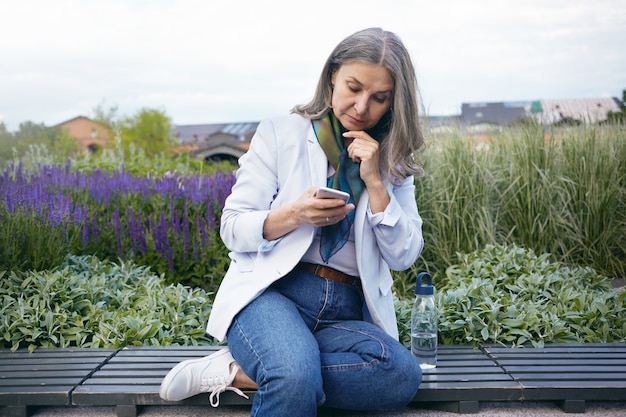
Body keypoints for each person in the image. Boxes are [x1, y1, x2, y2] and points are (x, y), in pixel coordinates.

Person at [159, 27, 426, 416]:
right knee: (294, 376)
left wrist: (376, 181)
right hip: (275, 294)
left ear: (393, 103)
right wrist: (293, 215)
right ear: (333, 74)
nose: (361, 106)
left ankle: (239, 371)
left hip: (345, 310)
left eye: (379, 98)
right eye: (353, 87)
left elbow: (404, 256)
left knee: (399, 374)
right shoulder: (280, 134)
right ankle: (283, 368)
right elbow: (232, 226)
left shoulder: (394, 162)